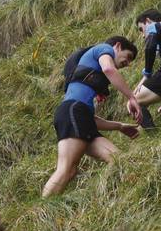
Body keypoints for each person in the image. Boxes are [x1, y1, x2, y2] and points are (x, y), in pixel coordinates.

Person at [42, 36, 143, 198]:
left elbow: (90, 120)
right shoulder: (104, 48)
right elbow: (109, 70)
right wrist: (131, 97)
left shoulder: (83, 97)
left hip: (78, 116)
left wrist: (120, 126)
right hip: (72, 111)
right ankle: (39, 212)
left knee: (118, 160)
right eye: (128, 56)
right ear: (117, 46)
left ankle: (128, 196)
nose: (128, 63)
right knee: (66, 168)